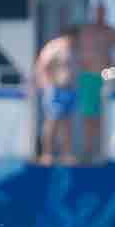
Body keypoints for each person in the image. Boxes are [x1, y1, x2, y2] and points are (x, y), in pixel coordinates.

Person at [73, 4, 115, 164]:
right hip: (88, 77)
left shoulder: (111, 32)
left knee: (103, 115)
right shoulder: (86, 32)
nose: (101, 15)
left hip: (105, 75)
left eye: (103, 12)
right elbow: (77, 53)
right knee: (88, 116)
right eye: (98, 12)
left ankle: (102, 151)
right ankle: (88, 150)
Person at [34, 27, 79, 165]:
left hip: (70, 89)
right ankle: (47, 154)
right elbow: (42, 65)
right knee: (52, 122)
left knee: (67, 123)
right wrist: (47, 85)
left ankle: (66, 154)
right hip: (55, 89)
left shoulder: (74, 49)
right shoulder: (54, 47)